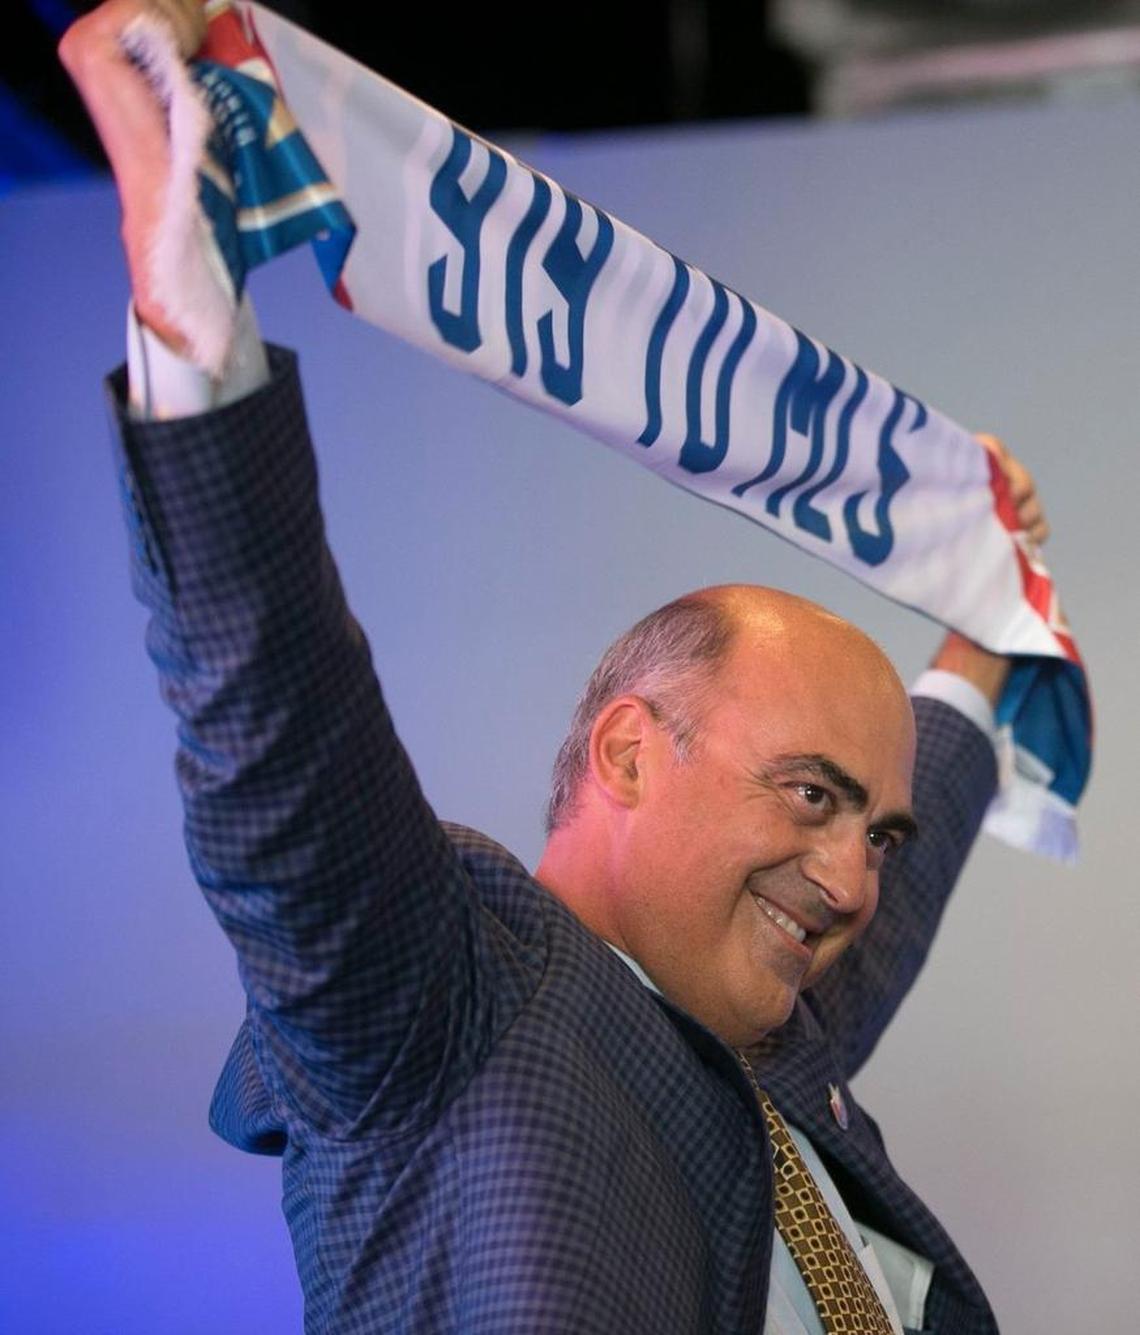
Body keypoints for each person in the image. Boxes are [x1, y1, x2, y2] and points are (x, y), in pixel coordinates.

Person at [61, 3, 1049, 1330]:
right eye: (812, 796)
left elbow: (901, 876)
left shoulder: (777, 1035)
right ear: (630, 750)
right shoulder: (456, 993)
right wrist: (190, 322)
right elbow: (282, 750)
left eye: (876, 833)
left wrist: (986, 636)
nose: (857, 878)